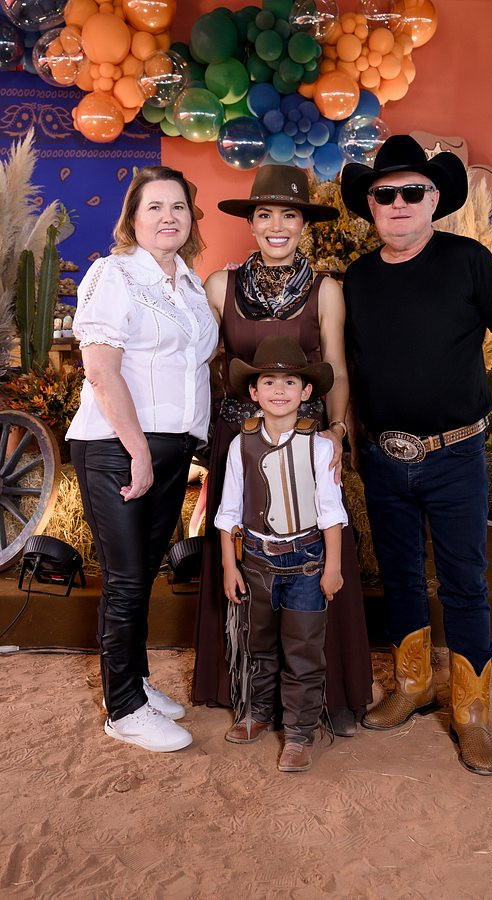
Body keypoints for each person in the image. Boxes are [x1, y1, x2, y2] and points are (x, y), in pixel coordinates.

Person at [341, 135, 492, 776]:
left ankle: (472, 714)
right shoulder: (358, 279)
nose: (398, 202)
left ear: (433, 200)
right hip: (383, 456)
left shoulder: (468, 260)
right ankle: (414, 685)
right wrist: (350, 436)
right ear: (371, 206)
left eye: (412, 191)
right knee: (398, 576)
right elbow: (349, 367)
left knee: (463, 583)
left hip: (456, 456)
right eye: (385, 194)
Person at [191, 165, 372, 736]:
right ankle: (245, 693)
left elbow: (336, 365)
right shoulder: (219, 287)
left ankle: (321, 697)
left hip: (307, 440)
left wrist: (337, 431)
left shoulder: (327, 290)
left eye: (288, 215)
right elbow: (202, 366)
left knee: (314, 558)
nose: (276, 225)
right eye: (265, 214)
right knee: (243, 560)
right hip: (239, 443)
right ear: (251, 222)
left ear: (303, 224)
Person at [66, 166, 219, 752]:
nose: (167, 217)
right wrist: (136, 451)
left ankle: (135, 682)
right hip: (117, 446)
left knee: (142, 573)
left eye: (178, 206)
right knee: (126, 579)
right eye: (154, 207)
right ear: (132, 218)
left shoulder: (189, 283)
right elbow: (101, 372)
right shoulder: (114, 275)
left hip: (172, 448)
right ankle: (124, 709)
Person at [216, 335, 346, 772]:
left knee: (304, 649)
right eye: (268, 382)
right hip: (255, 562)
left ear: (306, 392)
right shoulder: (241, 445)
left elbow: (331, 513)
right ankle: (257, 712)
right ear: (253, 392)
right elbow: (228, 512)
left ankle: (299, 733)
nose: (278, 390)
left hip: (307, 563)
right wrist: (229, 565)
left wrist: (332, 568)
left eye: (289, 382)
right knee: (258, 643)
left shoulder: (320, 446)